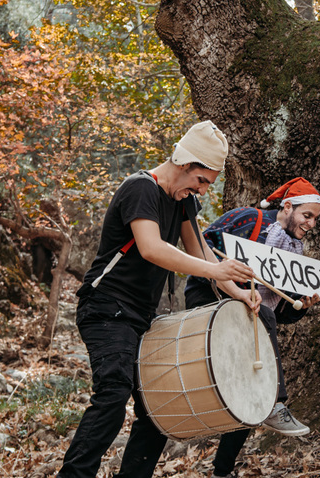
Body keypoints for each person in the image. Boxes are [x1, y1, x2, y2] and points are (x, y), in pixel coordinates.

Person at [57, 121, 261, 478]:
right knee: (113, 392)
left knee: (158, 407)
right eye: (201, 181)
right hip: (106, 307)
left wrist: (239, 292)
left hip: (143, 316)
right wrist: (217, 272)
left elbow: (203, 257)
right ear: (186, 164)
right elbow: (152, 248)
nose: (201, 191)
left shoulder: (184, 204)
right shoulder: (141, 189)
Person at [183, 177, 320, 478]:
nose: (310, 224)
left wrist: (300, 306)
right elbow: (199, 248)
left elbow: (279, 313)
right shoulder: (248, 219)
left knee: (251, 391)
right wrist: (232, 281)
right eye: (306, 215)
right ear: (287, 206)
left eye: (314, 219)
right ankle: (275, 402)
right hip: (208, 295)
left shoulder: (293, 253)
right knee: (265, 329)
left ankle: (223, 470)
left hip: (254, 314)